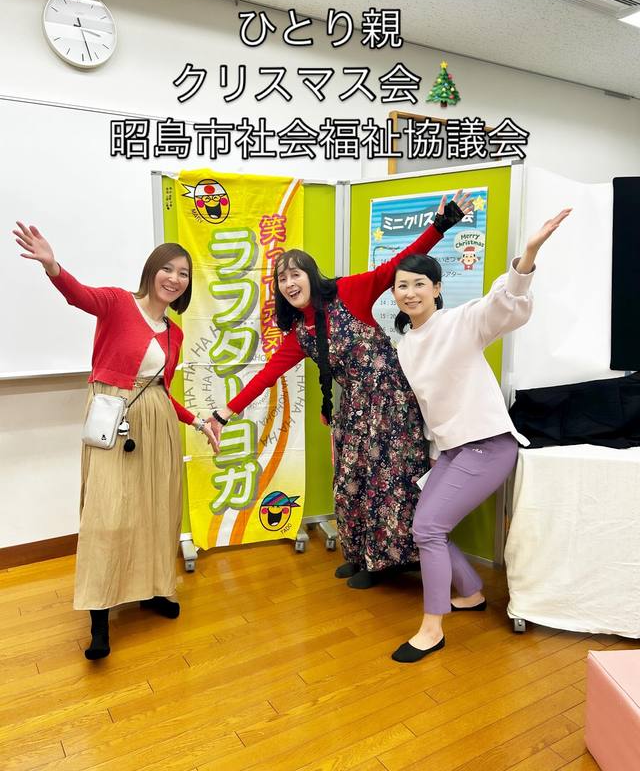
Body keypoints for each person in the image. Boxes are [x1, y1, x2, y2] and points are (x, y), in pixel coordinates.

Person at [207, 192, 473, 589]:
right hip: (355, 410)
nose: (290, 282)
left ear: (311, 275)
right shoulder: (300, 332)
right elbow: (266, 376)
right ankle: (361, 553)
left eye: (296, 274)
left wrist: (441, 224)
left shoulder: (349, 291)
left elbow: (394, 266)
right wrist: (223, 414)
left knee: (388, 480)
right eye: (282, 278)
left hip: (392, 402)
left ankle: (383, 562)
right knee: (351, 480)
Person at [12, 222, 217, 660]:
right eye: (167, 269)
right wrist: (52, 265)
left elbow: (161, 391)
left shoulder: (175, 333)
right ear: (151, 271)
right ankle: (100, 616)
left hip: (157, 426)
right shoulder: (117, 303)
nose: (174, 278)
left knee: (156, 509)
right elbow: (79, 295)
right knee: (106, 515)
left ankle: (152, 589)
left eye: (183, 273)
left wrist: (199, 422)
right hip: (113, 420)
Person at [389, 208, 572, 662]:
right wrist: (436, 453)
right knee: (426, 524)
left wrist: (528, 254)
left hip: (489, 445)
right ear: (394, 294)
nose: (410, 292)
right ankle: (469, 591)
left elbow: (506, 302)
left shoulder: (462, 321)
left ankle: (432, 628)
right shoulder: (406, 344)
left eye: (419, 284)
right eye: (402, 285)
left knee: (428, 527)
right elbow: (431, 406)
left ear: (437, 289)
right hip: (452, 449)